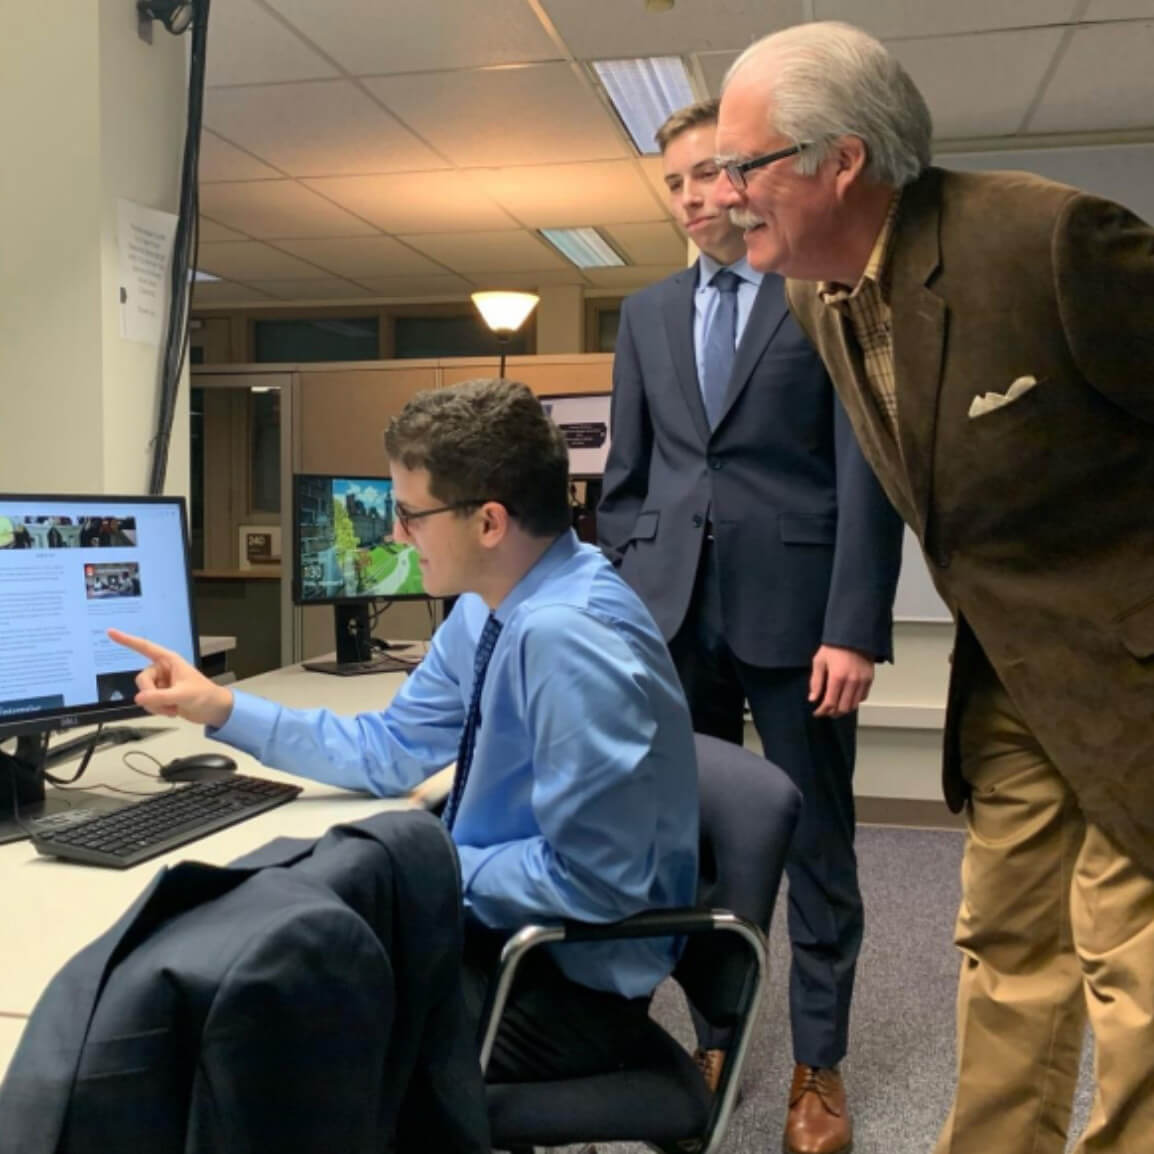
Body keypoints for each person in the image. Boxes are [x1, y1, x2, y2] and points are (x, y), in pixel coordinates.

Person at [715, 21, 1154, 1154]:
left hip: (1133, 664)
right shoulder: (818, 299)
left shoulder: (1046, 238)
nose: (723, 192)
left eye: (744, 164)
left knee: (1132, 960)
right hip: (1007, 673)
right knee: (1003, 942)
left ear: (838, 160)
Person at [110, 378, 699, 1084]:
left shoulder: (567, 637)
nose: (394, 535)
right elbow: (390, 749)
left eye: (409, 514)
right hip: (503, 931)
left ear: (488, 523)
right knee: (274, 972)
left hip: (559, 978)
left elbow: (601, 884)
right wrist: (222, 708)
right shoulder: (492, 606)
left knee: (279, 1035)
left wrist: (420, 866)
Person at [597, 98, 902, 1154]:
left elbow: (865, 467)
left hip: (799, 621)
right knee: (682, 845)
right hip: (669, 621)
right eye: (672, 182)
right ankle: (714, 1031)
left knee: (814, 844)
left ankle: (816, 1063)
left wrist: (854, 623)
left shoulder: (821, 294)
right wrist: (624, 605)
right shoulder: (641, 314)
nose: (691, 198)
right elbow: (627, 480)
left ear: (743, 179)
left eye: (707, 175)